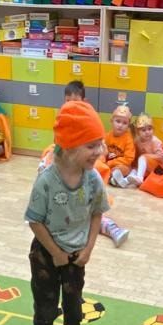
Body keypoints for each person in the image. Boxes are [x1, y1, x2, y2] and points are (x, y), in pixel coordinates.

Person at [24, 99, 107, 325]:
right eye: (91, 146)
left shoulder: (93, 179)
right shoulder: (46, 181)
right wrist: (56, 253)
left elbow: (97, 213)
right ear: (70, 146)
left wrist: (88, 249)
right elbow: (34, 220)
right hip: (46, 255)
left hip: (76, 256)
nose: (99, 151)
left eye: (100, 144)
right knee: (45, 306)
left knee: (74, 304)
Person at [39, 79, 128, 247]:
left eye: (76, 101)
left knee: (88, 209)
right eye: (68, 101)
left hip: (82, 171)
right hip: (66, 176)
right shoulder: (62, 122)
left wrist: (94, 153)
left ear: (84, 102)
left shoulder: (89, 121)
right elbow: (57, 147)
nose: (71, 106)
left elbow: (100, 147)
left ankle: (112, 228)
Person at [100, 103, 139, 187]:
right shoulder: (107, 136)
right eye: (118, 121)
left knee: (122, 169)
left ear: (128, 125)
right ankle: (113, 179)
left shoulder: (128, 139)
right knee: (98, 162)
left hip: (120, 166)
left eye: (124, 123)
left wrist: (111, 163)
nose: (120, 125)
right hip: (107, 164)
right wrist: (105, 156)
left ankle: (115, 179)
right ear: (111, 121)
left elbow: (128, 159)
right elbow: (102, 151)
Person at [127, 112, 163, 184]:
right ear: (138, 132)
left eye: (149, 129)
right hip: (143, 168)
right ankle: (125, 180)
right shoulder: (137, 141)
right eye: (143, 130)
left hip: (156, 168)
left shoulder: (155, 141)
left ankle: (139, 178)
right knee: (134, 169)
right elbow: (135, 155)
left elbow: (161, 157)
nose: (147, 132)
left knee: (143, 157)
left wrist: (148, 157)